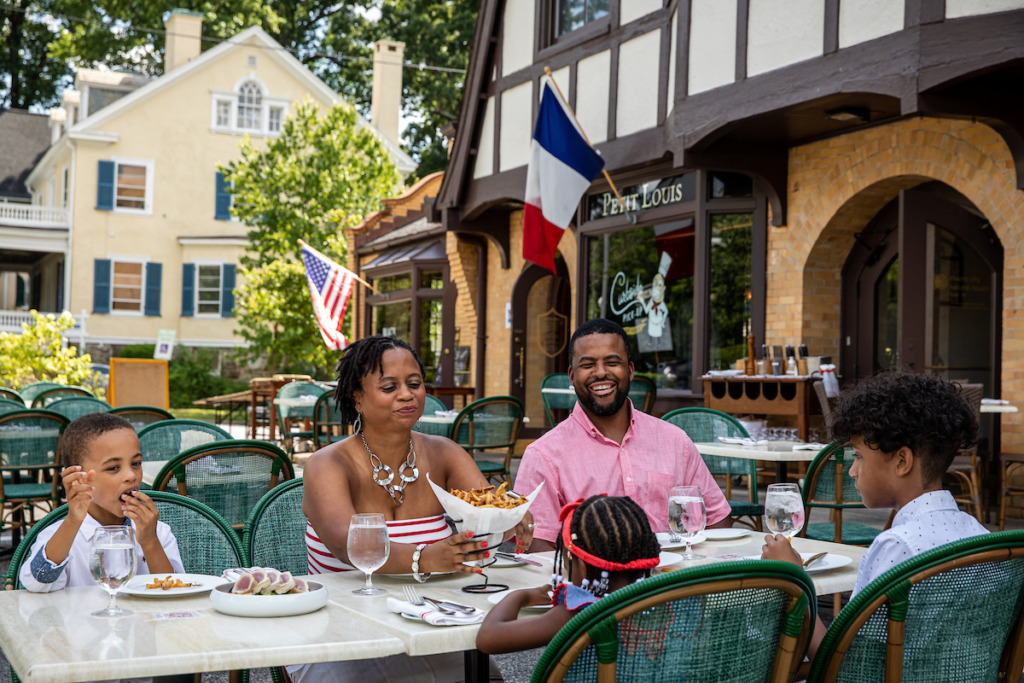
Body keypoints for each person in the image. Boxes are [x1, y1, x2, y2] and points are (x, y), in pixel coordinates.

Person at [297, 335, 533, 683]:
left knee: (485, 678)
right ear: (357, 398)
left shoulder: (444, 452)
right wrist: (426, 558)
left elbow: (487, 507)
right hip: (341, 629)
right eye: (389, 386)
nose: (407, 394)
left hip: (431, 622)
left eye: (414, 384)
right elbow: (351, 546)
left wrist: (511, 516)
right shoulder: (327, 464)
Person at [762, 370, 988, 661]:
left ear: (902, 460)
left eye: (857, 455)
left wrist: (794, 578)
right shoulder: (980, 534)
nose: (853, 470)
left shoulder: (897, 546)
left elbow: (846, 666)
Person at [516, 318, 731, 552]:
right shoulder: (543, 456)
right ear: (571, 375)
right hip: (592, 587)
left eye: (612, 362)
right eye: (588, 365)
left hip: (671, 582)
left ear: (630, 370)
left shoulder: (675, 441)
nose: (600, 373)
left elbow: (717, 520)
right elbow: (538, 548)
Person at [476, 494, 661, 654]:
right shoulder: (662, 600)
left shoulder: (580, 612)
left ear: (580, 565)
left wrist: (519, 596)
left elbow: (488, 638)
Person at [20, 412, 183, 592]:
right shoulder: (61, 537)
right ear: (78, 478)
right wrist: (73, 520)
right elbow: (37, 583)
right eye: (113, 468)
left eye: (136, 463)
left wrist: (150, 542)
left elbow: (174, 592)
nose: (131, 476)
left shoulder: (158, 532)